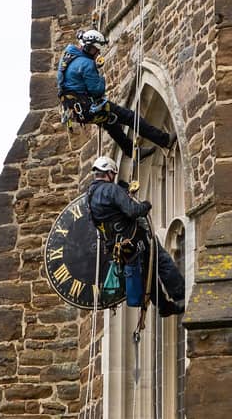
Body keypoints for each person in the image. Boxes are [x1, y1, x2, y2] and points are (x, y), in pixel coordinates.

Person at [57, 29, 176, 161]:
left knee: (111, 122)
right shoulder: (87, 64)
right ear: (89, 48)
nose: (97, 54)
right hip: (87, 108)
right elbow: (97, 90)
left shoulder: (68, 56)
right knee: (129, 117)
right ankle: (165, 140)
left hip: (75, 111)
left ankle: (132, 152)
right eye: (96, 51)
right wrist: (99, 75)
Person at [87, 156, 185, 316]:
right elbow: (133, 211)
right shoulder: (111, 190)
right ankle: (181, 294)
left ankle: (163, 305)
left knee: (147, 272)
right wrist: (146, 205)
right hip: (135, 239)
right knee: (161, 261)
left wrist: (124, 194)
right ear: (109, 173)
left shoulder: (89, 196)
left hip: (119, 247)